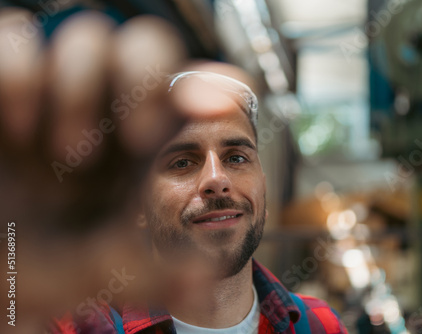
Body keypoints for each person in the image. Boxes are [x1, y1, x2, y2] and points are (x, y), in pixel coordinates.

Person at [50, 71, 348, 334]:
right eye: (181, 162)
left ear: (263, 190)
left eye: (236, 158)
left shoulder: (319, 325)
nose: (217, 179)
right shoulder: (78, 328)